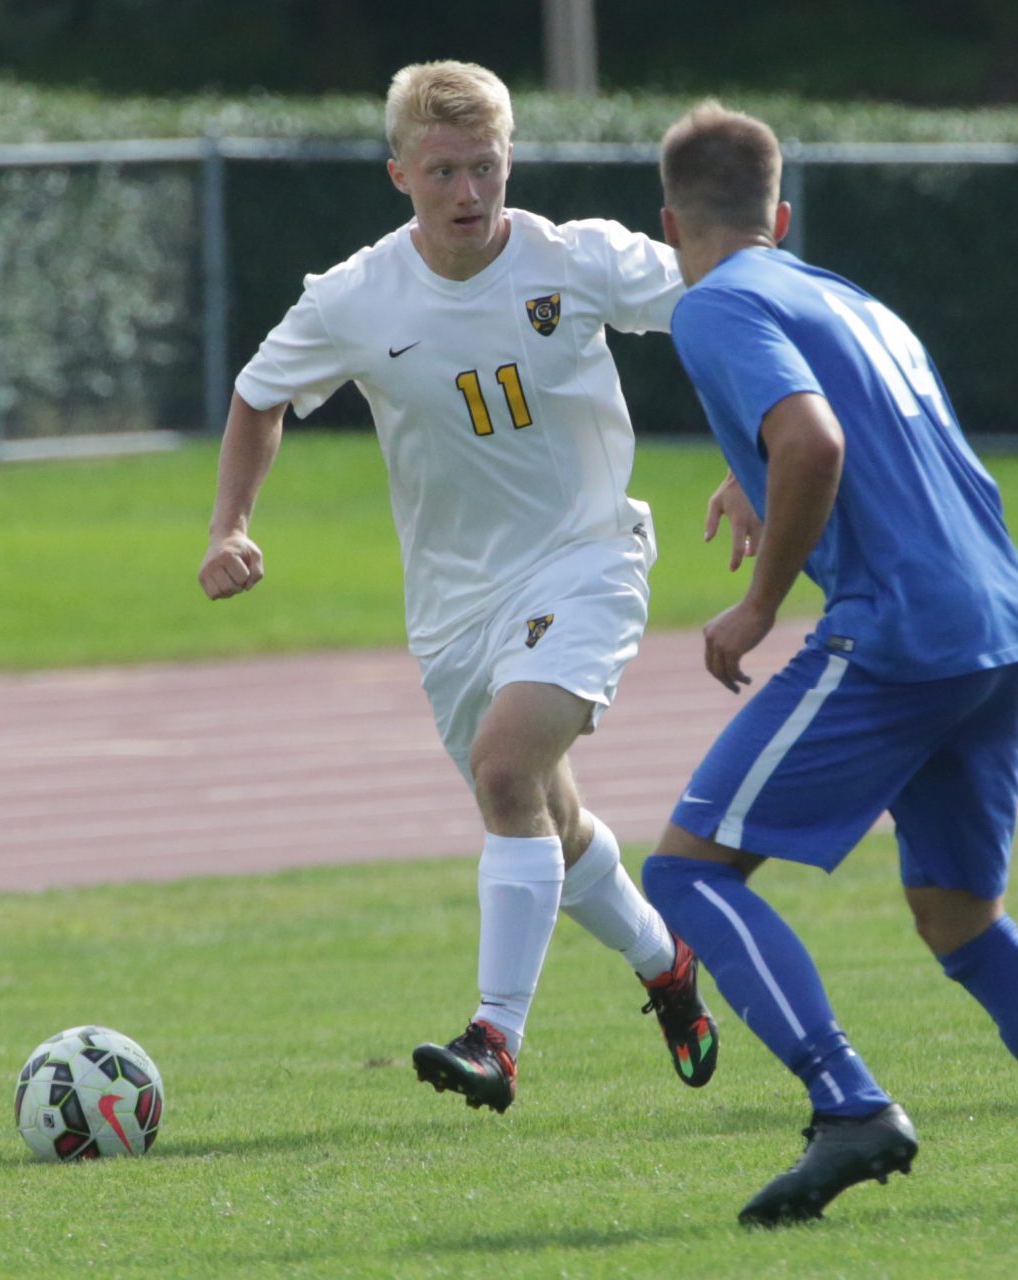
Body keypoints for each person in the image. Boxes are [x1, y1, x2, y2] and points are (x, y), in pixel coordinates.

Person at [642, 101, 1018, 1228]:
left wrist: (756, 604)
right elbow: (871, 440)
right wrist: (755, 479)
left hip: (898, 628)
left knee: (684, 875)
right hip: (996, 619)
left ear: (667, 224)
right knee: (960, 918)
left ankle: (848, 1100)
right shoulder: (847, 296)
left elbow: (815, 440)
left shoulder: (711, 302)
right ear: (781, 215)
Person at [199, 60, 719, 1115]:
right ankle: (669, 966)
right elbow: (260, 397)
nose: (469, 193)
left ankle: (496, 1035)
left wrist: (760, 455)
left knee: (503, 765)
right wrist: (229, 525)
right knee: (545, 820)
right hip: (452, 613)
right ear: (400, 174)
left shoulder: (576, 260)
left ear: (509, 159)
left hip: (587, 560)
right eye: (443, 172)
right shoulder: (354, 297)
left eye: (485, 166)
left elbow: (729, 300)